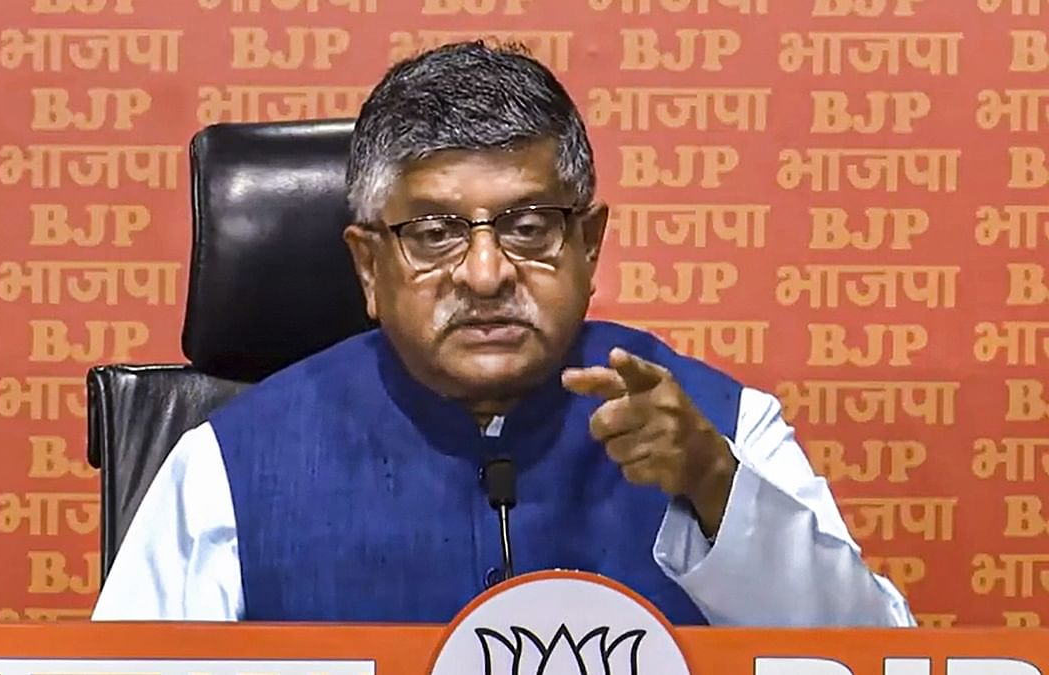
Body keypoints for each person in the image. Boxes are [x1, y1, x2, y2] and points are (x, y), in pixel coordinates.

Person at [92, 41, 915, 627]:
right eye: (435, 232)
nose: (486, 274)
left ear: (589, 248)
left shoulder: (720, 428)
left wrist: (714, 487)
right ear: (369, 268)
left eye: (529, 226)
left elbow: (881, 657)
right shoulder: (224, 471)